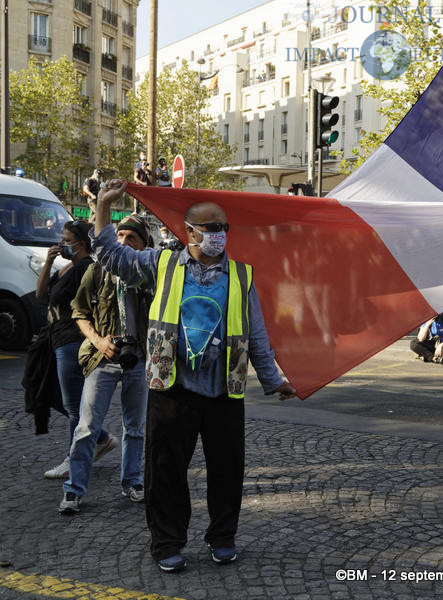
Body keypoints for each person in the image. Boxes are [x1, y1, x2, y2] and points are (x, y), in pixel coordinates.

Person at [92, 180, 296, 573]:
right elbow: (111, 256)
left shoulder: (240, 276)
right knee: (165, 470)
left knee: (227, 470)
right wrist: (102, 207)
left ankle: (223, 538)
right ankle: (167, 542)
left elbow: (256, 334)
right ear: (189, 232)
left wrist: (273, 381)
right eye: (211, 227)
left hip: (224, 390)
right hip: (172, 387)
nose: (219, 234)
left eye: (223, 228)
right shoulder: (161, 264)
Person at [59, 215, 153, 515]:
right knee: (87, 427)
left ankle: (132, 482)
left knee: (135, 428)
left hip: (139, 358)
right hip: (102, 357)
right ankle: (74, 489)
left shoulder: (151, 274)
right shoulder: (97, 270)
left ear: (144, 246)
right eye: (120, 235)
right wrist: (99, 342)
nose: (123, 242)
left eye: (131, 238)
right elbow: (79, 312)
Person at [38, 220, 116, 479]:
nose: (61, 243)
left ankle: (75, 459)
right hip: (56, 339)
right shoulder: (67, 267)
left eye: (66, 240)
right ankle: (100, 437)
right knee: (52, 395)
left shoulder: (85, 268)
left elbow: (86, 307)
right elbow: (41, 295)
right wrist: (48, 263)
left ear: (80, 244)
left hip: (72, 341)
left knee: (73, 406)